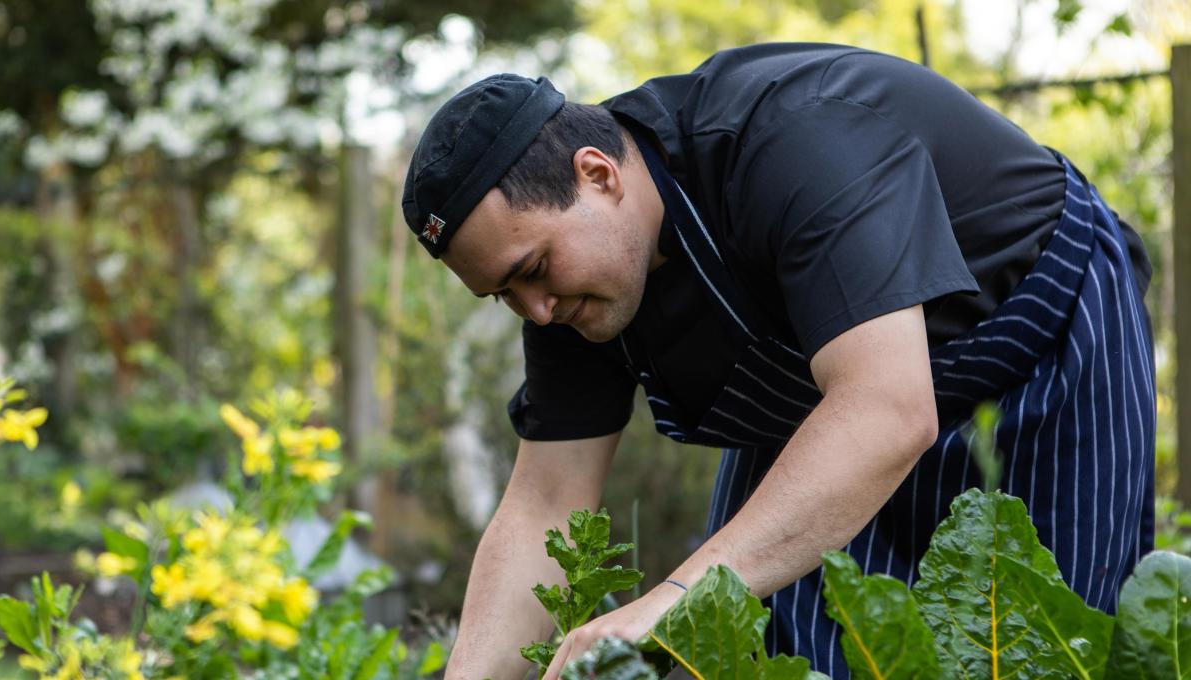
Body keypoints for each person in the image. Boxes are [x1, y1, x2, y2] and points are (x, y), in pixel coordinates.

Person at [400, 43, 1155, 680]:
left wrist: (668, 597)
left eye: (532, 270)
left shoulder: (797, 142)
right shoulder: (575, 286)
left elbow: (887, 411)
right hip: (840, 398)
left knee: (1033, 647)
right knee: (765, 654)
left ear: (598, 174)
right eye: (501, 293)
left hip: (1035, 345)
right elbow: (545, 504)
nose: (534, 311)